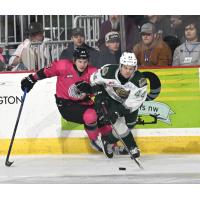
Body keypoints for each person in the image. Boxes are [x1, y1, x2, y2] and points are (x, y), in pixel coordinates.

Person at [20, 47, 126, 157]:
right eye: (80, 61)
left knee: (104, 118)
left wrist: (91, 89)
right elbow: (46, 72)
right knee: (91, 115)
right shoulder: (63, 66)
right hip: (66, 106)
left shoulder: (93, 72)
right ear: (74, 60)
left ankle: (112, 145)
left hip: (85, 103)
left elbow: (101, 89)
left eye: (85, 62)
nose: (82, 64)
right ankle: (94, 140)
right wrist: (32, 79)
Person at [88, 52, 148, 159]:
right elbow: (93, 79)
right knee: (120, 124)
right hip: (111, 98)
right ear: (120, 66)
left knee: (129, 125)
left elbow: (134, 102)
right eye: (125, 68)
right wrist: (99, 95)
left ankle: (108, 141)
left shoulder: (140, 82)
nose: (128, 71)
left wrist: (117, 112)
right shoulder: (108, 71)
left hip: (129, 105)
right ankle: (132, 146)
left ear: (135, 68)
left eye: (131, 68)